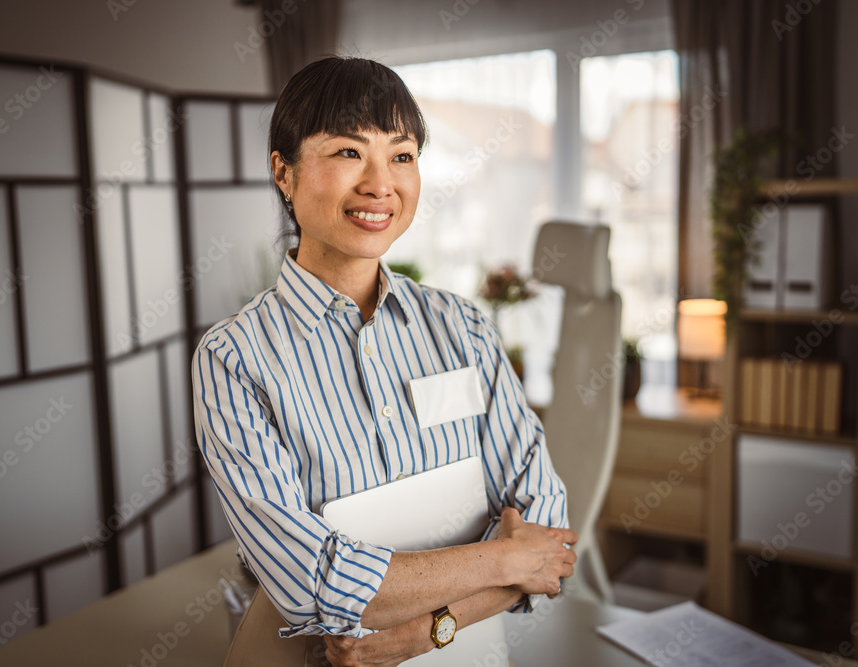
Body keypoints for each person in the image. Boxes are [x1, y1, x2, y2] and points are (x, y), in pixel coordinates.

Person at [191, 56, 577, 666]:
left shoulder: (463, 327)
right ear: (283, 172)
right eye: (348, 153)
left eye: (401, 156)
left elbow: (548, 532)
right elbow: (310, 583)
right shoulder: (234, 359)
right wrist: (504, 559)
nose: (380, 184)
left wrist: (423, 635)